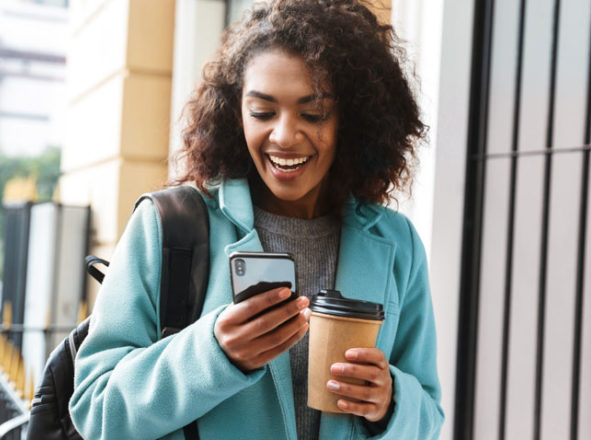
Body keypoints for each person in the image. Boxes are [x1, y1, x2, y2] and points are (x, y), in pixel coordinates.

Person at [69, 1, 444, 438]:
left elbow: (430, 416)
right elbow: (96, 410)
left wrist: (390, 403)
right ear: (235, 114)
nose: (284, 135)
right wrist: (215, 354)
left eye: (313, 112)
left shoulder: (397, 244)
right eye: (263, 112)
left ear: (352, 119)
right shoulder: (167, 226)